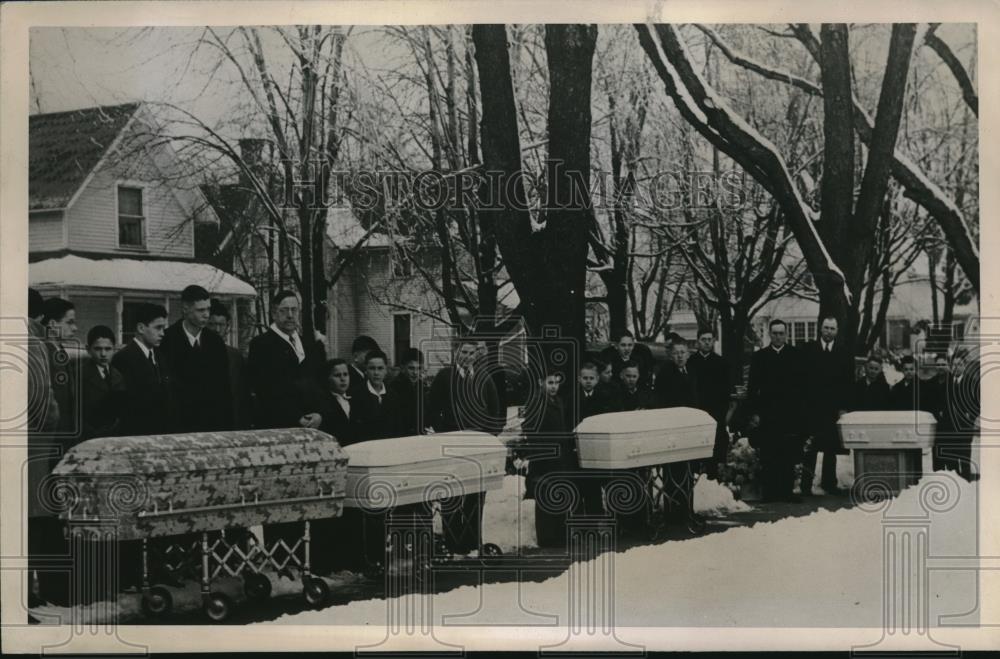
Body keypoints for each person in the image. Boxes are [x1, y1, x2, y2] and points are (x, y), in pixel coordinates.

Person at [426, 338, 504, 555]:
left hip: (478, 446)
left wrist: (488, 436)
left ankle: (472, 543)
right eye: (464, 352)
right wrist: (445, 433)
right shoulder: (445, 377)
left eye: (471, 353)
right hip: (453, 445)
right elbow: (432, 408)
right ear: (456, 353)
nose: (468, 357)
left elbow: (495, 410)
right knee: (452, 495)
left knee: (475, 496)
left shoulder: (483, 378)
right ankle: (453, 543)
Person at [27, 289, 64, 607]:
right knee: (35, 517)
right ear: (40, 317)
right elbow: (41, 398)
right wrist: (53, 422)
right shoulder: (33, 342)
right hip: (33, 445)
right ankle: (29, 595)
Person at [745, 319, 807, 503]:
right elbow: (752, 387)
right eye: (775, 333)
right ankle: (770, 492)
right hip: (768, 413)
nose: (778, 337)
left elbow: (803, 387)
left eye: (781, 333)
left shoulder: (796, 356)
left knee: (788, 453)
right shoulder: (760, 357)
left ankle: (786, 491)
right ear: (769, 335)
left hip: (789, 413)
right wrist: (754, 412)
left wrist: (801, 411)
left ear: (786, 335)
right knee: (769, 453)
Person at [247, 290, 327, 430]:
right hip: (278, 425)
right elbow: (265, 389)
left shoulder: (310, 345)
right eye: (284, 311)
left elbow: (320, 382)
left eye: (294, 310)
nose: (290, 315)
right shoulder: (261, 345)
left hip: (313, 426)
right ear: (273, 314)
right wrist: (296, 417)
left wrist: (319, 413)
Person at [159, 285, 232, 432]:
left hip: (211, 427)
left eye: (208, 309)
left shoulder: (215, 342)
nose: (206, 315)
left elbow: (224, 389)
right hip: (177, 428)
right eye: (201, 310)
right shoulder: (166, 341)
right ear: (185, 309)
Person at [800, 316, 853, 496]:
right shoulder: (809, 350)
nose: (828, 331)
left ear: (836, 331)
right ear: (820, 329)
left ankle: (829, 483)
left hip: (833, 408)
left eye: (832, 328)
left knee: (831, 446)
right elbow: (803, 380)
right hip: (812, 407)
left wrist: (844, 406)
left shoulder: (843, 352)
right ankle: (806, 484)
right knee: (810, 447)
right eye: (826, 328)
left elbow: (847, 382)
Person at [524, 369, 576, 548]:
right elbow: (529, 430)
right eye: (550, 383)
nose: (554, 387)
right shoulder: (537, 403)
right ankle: (547, 537)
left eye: (556, 383)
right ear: (541, 382)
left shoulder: (558, 401)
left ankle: (560, 534)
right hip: (544, 458)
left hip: (560, 456)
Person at [111, 303, 172, 436]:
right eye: (158, 328)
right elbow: (125, 407)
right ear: (141, 328)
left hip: (161, 435)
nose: (162, 333)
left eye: (163, 328)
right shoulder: (123, 359)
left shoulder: (161, 357)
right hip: (136, 435)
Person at [208, 299, 252, 430]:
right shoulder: (196, 353)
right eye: (212, 324)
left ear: (227, 327)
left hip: (233, 426)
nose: (217, 329)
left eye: (221, 325)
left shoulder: (236, 357)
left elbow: (242, 395)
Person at [936, 349, 979, 481]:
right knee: (952, 458)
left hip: (964, 426)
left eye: (959, 365)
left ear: (964, 366)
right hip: (949, 426)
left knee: (965, 457)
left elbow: (977, 403)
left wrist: (970, 417)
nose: (956, 368)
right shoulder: (947, 382)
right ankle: (955, 482)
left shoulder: (971, 382)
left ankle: (966, 481)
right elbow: (943, 401)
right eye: (953, 365)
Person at [41, 298, 80, 444]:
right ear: (52, 324)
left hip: (66, 438)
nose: (75, 328)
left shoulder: (61, 352)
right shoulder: (43, 354)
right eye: (69, 322)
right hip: (52, 440)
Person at [80, 325, 126, 440]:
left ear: (115, 349)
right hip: (88, 439)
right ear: (88, 349)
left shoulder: (118, 376)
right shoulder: (79, 375)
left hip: (114, 439)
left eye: (108, 349)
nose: (103, 354)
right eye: (98, 349)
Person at [351, 349, 396, 442]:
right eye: (372, 368)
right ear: (366, 370)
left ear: (386, 370)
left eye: (380, 368)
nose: (376, 373)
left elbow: (397, 427)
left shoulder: (393, 394)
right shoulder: (356, 395)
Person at [389, 347, 428, 438]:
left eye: (418, 368)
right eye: (411, 368)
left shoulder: (420, 386)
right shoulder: (394, 388)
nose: (415, 372)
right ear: (402, 368)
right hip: (401, 438)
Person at [653, 341, 698, 409]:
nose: (680, 356)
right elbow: (660, 399)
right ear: (671, 356)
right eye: (676, 353)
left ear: (688, 355)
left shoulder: (692, 371)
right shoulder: (664, 374)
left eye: (682, 352)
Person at [347, 335, 380, 400]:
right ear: (356, 356)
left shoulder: (366, 376)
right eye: (368, 355)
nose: (372, 359)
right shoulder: (347, 377)